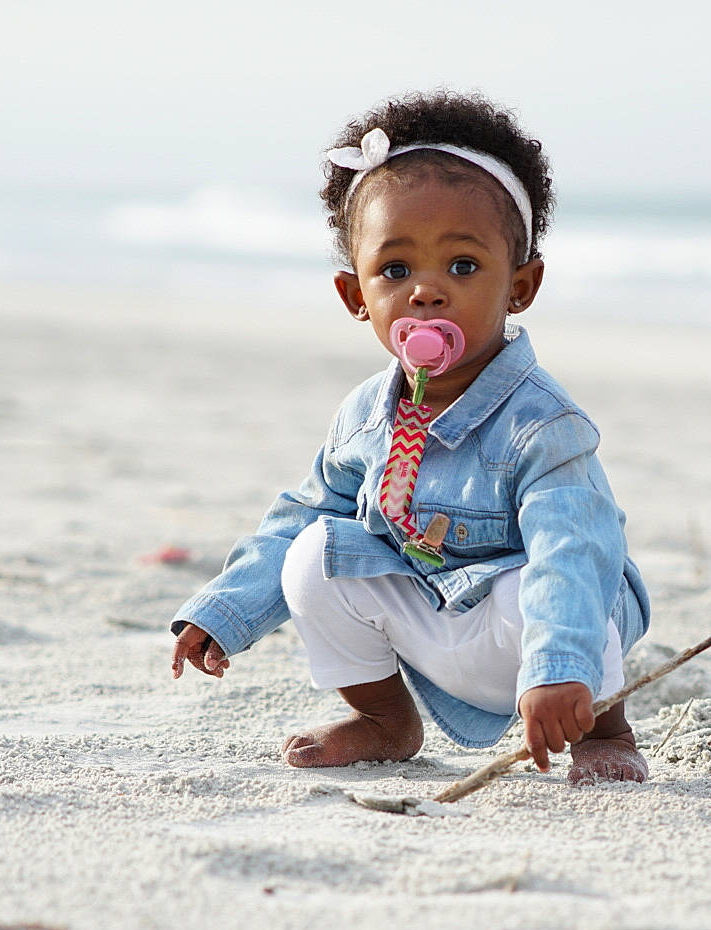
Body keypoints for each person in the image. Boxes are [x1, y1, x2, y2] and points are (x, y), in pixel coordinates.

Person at [169, 91, 650, 785]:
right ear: (354, 296)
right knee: (314, 553)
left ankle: (606, 728)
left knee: (555, 577)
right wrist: (227, 611)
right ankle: (386, 721)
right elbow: (298, 516)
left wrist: (559, 666)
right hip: (433, 611)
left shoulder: (541, 425)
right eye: (395, 271)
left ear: (521, 285)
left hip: (541, 631)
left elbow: (574, 552)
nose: (426, 292)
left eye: (462, 266)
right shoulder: (365, 417)